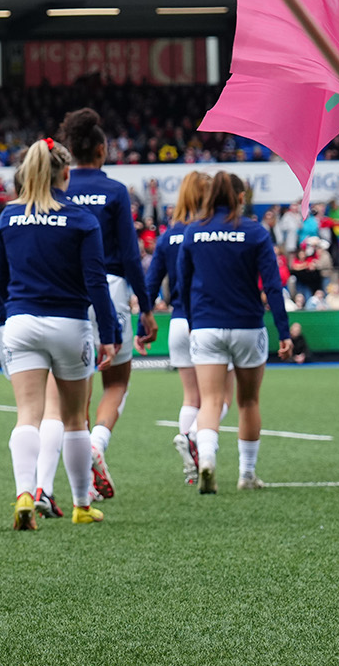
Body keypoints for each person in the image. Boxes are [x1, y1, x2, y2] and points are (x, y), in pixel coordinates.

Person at [0, 138, 118, 529]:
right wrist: (109, 333)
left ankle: (25, 494)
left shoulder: (6, 221)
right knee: (75, 419)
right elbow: (97, 282)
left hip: (21, 325)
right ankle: (81, 505)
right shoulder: (82, 220)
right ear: (66, 174)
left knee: (27, 414)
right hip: (70, 325)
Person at [54, 108, 150, 502]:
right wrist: (146, 306)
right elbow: (130, 255)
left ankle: (81, 482)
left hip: (67, 292)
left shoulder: (56, 186)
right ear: (101, 148)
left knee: (80, 386)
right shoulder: (114, 191)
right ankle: (96, 443)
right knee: (118, 381)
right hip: (109, 289)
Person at [177, 173, 292, 493]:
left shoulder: (193, 232)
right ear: (241, 198)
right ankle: (247, 474)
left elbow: (182, 285)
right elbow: (272, 285)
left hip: (206, 326)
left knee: (211, 401)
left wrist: (191, 321)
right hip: (247, 326)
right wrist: (283, 331)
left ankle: (208, 461)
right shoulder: (255, 232)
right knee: (248, 401)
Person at [142, 172, 210, 482]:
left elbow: (151, 284)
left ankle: (190, 460)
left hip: (178, 323)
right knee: (219, 398)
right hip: (207, 321)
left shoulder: (169, 236)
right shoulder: (209, 231)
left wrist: (145, 320)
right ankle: (193, 435)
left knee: (190, 397)